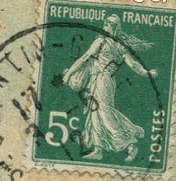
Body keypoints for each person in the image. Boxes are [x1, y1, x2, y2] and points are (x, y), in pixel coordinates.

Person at [62, 14, 158, 162]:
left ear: (114, 27)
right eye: (105, 24)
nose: (104, 26)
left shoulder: (101, 41)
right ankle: (98, 149)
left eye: (107, 24)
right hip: (104, 81)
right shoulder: (120, 46)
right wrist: (147, 73)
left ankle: (130, 144)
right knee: (96, 113)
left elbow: (84, 58)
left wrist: (68, 74)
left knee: (104, 112)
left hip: (101, 80)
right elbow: (133, 64)